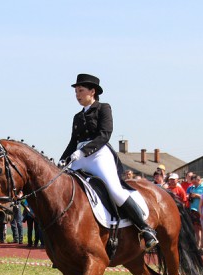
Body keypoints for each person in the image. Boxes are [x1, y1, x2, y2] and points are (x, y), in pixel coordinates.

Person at [59, 73, 157, 250]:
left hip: (98, 154)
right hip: (79, 156)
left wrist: (84, 151)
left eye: (80, 91)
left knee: (114, 189)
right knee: (63, 187)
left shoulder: (104, 108)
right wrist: (62, 159)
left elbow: (105, 135)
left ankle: (145, 228)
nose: (77, 95)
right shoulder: (77, 117)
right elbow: (73, 141)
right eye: (76, 92)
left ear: (92, 91)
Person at [186, 174, 203, 250]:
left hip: (201, 209)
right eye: (192, 182)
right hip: (193, 208)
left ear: (198, 180)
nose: (193, 184)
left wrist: (197, 195)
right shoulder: (192, 187)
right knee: (196, 228)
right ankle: (198, 243)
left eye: (195, 182)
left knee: (202, 228)